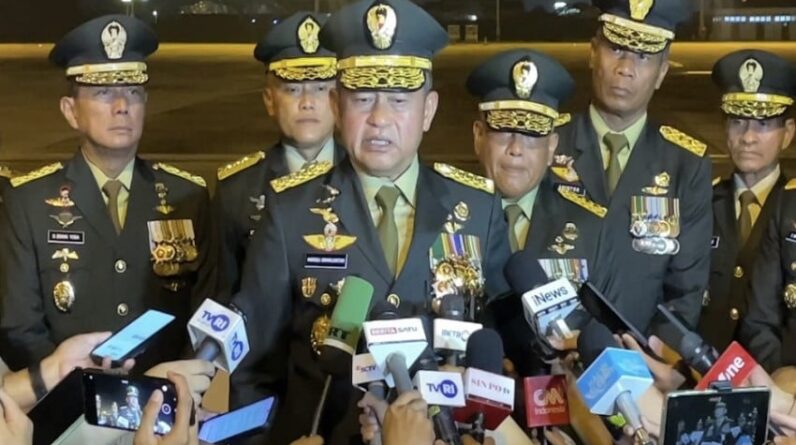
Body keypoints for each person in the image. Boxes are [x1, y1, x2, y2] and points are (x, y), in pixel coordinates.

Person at [228, 0, 511, 443]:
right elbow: (253, 372)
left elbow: (498, 354)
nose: (379, 119)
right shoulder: (288, 212)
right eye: (362, 99)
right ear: (336, 106)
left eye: (399, 100)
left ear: (428, 110)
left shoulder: (478, 209)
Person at [0, 14, 218, 372]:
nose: (122, 106)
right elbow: (19, 327)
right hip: (68, 399)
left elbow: (208, 310)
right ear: (71, 111)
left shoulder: (188, 197)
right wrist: (79, 385)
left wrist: (175, 382)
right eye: (103, 92)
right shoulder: (28, 203)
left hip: (164, 394)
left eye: (133, 92)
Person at [551, 0, 712, 338]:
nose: (626, 68)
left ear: (662, 72)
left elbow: (685, 294)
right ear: (593, 53)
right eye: (616, 49)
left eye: (643, 56)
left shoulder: (686, 165)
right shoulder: (547, 145)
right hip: (549, 355)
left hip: (641, 361)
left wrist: (649, 358)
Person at [466, 49, 603, 377]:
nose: (516, 149)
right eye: (503, 131)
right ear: (479, 136)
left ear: (552, 145)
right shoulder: (442, 218)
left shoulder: (591, 225)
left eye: (531, 134)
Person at [214, 11, 344, 298]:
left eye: (321, 88)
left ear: (339, 100)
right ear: (269, 100)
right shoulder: (237, 190)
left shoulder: (365, 177)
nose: (307, 102)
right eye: (293, 89)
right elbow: (221, 298)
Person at [700, 50, 796, 352]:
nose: (748, 137)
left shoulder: (791, 206)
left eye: (763, 124)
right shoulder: (700, 203)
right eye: (738, 122)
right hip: (704, 369)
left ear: (788, 133)